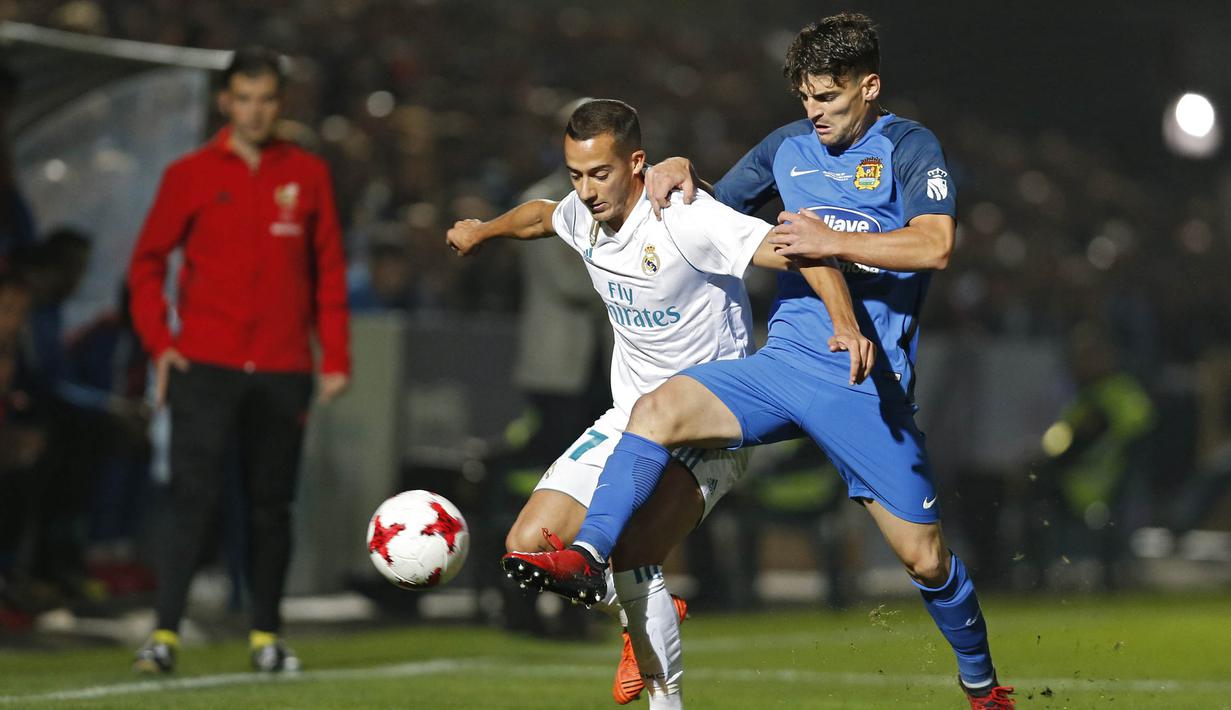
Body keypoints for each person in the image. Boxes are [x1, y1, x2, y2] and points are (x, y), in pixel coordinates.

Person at [503, 14, 1016, 709]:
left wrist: (829, 240)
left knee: (923, 558)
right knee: (656, 407)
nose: (815, 112)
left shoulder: (908, 147)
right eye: (805, 97)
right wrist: (681, 171)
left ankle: (982, 687)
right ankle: (589, 556)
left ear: (868, 87)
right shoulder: (786, 147)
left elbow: (934, 245)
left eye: (828, 97)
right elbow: (709, 210)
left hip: (863, 382)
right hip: (781, 365)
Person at [448, 98, 871, 709]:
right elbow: (540, 216)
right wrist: (483, 231)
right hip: (628, 419)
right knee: (528, 543)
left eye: (600, 174)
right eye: (575, 174)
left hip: (706, 424)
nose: (586, 191)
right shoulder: (583, 215)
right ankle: (643, 605)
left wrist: (845, 323)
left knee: (634, 554)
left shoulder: (685, 216)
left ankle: (660, 686)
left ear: (636, 162)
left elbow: (798, 249)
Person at [126, 46, 350, 674]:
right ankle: (164, 633)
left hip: (282, 368)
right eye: (244, 98)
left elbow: (328, 270)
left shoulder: (307, 174)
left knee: (270, 508)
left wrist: (335, 356)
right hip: (204, 365)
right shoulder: (190, 174)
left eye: (266, 99)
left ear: (280, 104)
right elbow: (146, 264)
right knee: (191, 501)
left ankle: (265, 636)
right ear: (225, 101)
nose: (254, 111)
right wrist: (161, 343)